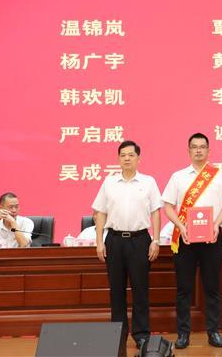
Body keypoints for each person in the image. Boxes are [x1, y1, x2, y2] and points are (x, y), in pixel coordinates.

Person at [162, 133, 222, 349]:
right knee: (184, 288)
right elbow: (168, 206)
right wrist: (181, 226)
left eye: (202, 147)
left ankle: (213, 332)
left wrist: (216, 224)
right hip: (185, 238)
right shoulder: (178, 177)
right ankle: (183, 334)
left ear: (208, 150)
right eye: (194, 147)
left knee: (212, 286)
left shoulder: (220, 176)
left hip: (212, 237)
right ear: (188, 151)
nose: (198, 151)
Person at [92, 140, 162, 348]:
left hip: (140, 240)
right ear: (118, 159)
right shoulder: (109, 182)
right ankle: (118, 334)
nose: (127, 159)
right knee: (116, 290)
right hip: (114, 240)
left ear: (138, 158)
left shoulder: (148, 182)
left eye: (131, 155)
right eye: (123, 155)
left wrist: (155, 240)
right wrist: (99, 242)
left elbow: (156, 212)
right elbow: (100, 212)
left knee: (140, 289)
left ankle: (141, 335)